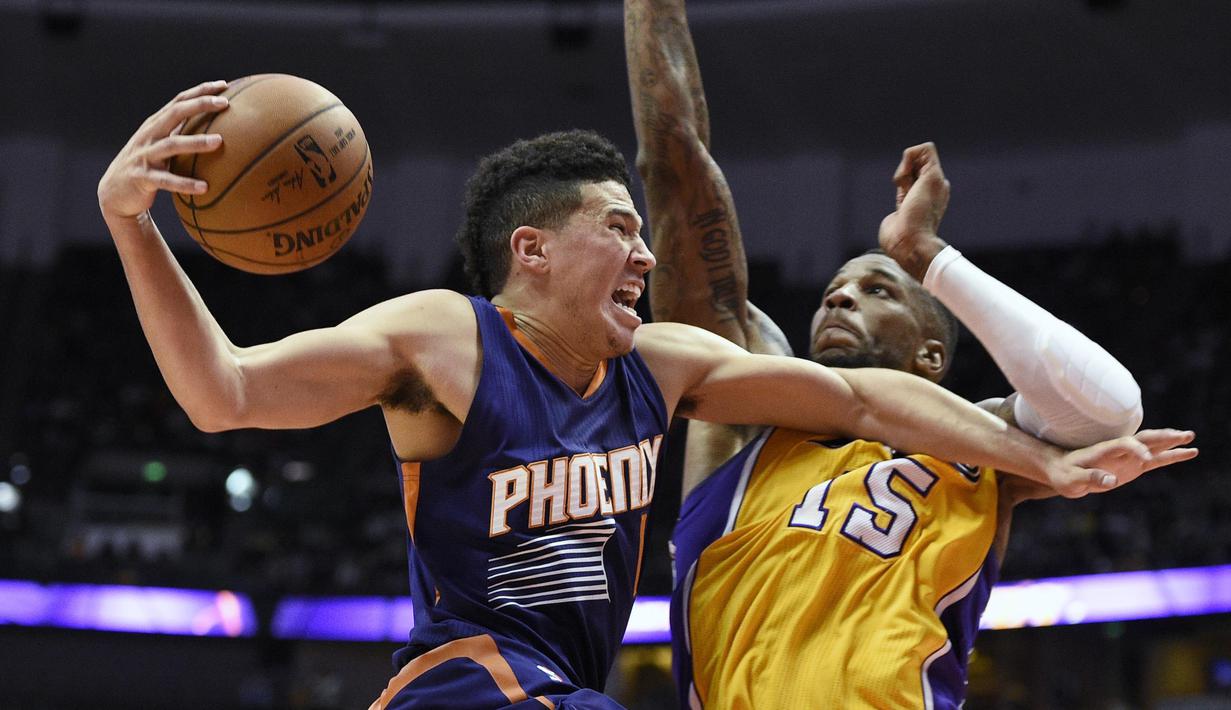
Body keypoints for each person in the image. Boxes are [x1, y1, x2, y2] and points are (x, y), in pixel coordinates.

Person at [97, 83, 1178, 710]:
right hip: (465, 680)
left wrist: (1044, 462)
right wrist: (133, 224)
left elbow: (857, 399)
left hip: (566, 684)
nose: (644, 254)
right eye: (618, 229)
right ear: (531, 250)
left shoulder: (657, 366)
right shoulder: (441, 339)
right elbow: (223, 390)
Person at [623, 2, 1198, 708]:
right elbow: (674, 165)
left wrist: (927, 256)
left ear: (931, 354)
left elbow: (1108, 407)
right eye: (833, 289)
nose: (838, 299)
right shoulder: (741, 417)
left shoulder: (985, 447)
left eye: (876, 290)